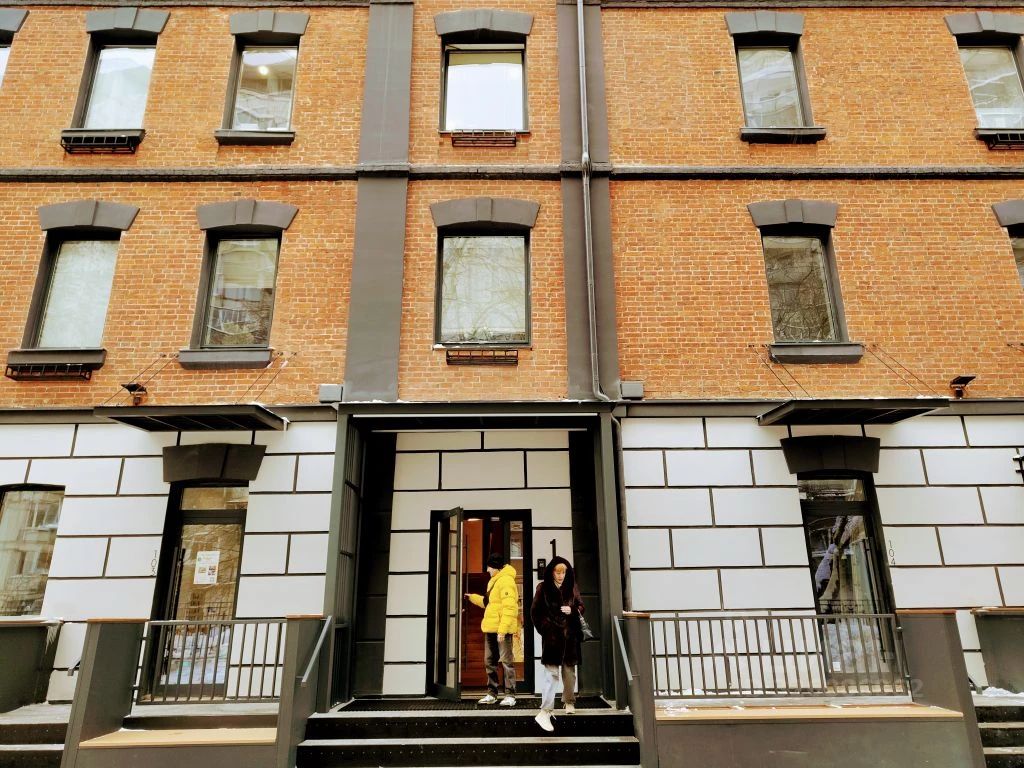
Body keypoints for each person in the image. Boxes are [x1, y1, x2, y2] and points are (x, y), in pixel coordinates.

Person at [530, 555, 584, 732]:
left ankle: (568, 702)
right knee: (551, 674)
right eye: (558, 572)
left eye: (564, 572)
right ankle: (545, 710)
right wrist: (546, 629)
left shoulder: (572, 586)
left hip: (570, 637)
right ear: (552, 572)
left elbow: (581, 606)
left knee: (569, 672)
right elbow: (535, 612)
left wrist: (572, 610)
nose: (561, 576)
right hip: (552, 639)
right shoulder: (543, 588)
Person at [465, 552, 519, 706]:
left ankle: (510, 695)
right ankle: (492, 694)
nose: (487, 570)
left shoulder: (506, 581)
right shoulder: (494, 581)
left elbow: (510, 608)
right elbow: (488, 603)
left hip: (502, 630)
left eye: (489, 567)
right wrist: (472, 597)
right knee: (489, 661)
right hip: (491, 628)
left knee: (506, 662)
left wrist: (502, 630)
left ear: (495, 567)